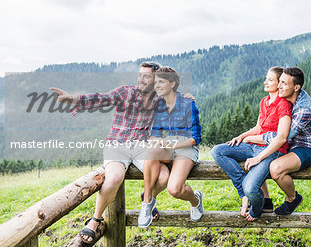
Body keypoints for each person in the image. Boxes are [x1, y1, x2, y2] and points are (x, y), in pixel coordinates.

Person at [50, 62, 170, 245]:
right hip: (117, 144)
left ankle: (148, 198)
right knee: (113, 179)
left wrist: (187, 97)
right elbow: (101, 99)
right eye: (140, 75)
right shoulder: (125, 92)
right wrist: (73, 99)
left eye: (146, 76)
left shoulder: (158, 98)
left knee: (163, 176)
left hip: (141, 146)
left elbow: (175, 99)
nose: (141, 79)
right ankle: (96, 219)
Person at [211, 66, 292, 221]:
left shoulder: (284, 104)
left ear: (279, 83)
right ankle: (243, 190)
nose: (265, 82)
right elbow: (258, 128)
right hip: (254, 146)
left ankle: (256, 209)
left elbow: (281, 137)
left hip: (272, 150)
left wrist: (258, 157)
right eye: (266, 78)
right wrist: (241, 136)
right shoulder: (264, 101)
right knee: (218, 151)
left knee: (251, 188)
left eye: (270, 79)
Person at [138, 66, 203, 227]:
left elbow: (195, 138)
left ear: (172, 84)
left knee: (174, 189)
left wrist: (173, 145)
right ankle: (147, 203)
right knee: (152, 150)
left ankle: (196, 201)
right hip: (169, 146)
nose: (157, 86)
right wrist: (156, 140)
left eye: (161, 82)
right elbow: (155, 133)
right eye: (156, 82)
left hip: (186, 147)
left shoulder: (188, 103)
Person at [262, 67, 311, 215]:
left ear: (296, 87)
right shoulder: (288, 97)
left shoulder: (304, 109)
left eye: (284, 83)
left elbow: (282, 136)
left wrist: (256, 138)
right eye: (280, 81)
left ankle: (292, 198)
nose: (279, 86)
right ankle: (265, 201)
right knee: (258, 158)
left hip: (310, 147)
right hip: (292, 145)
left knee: (275, 168)